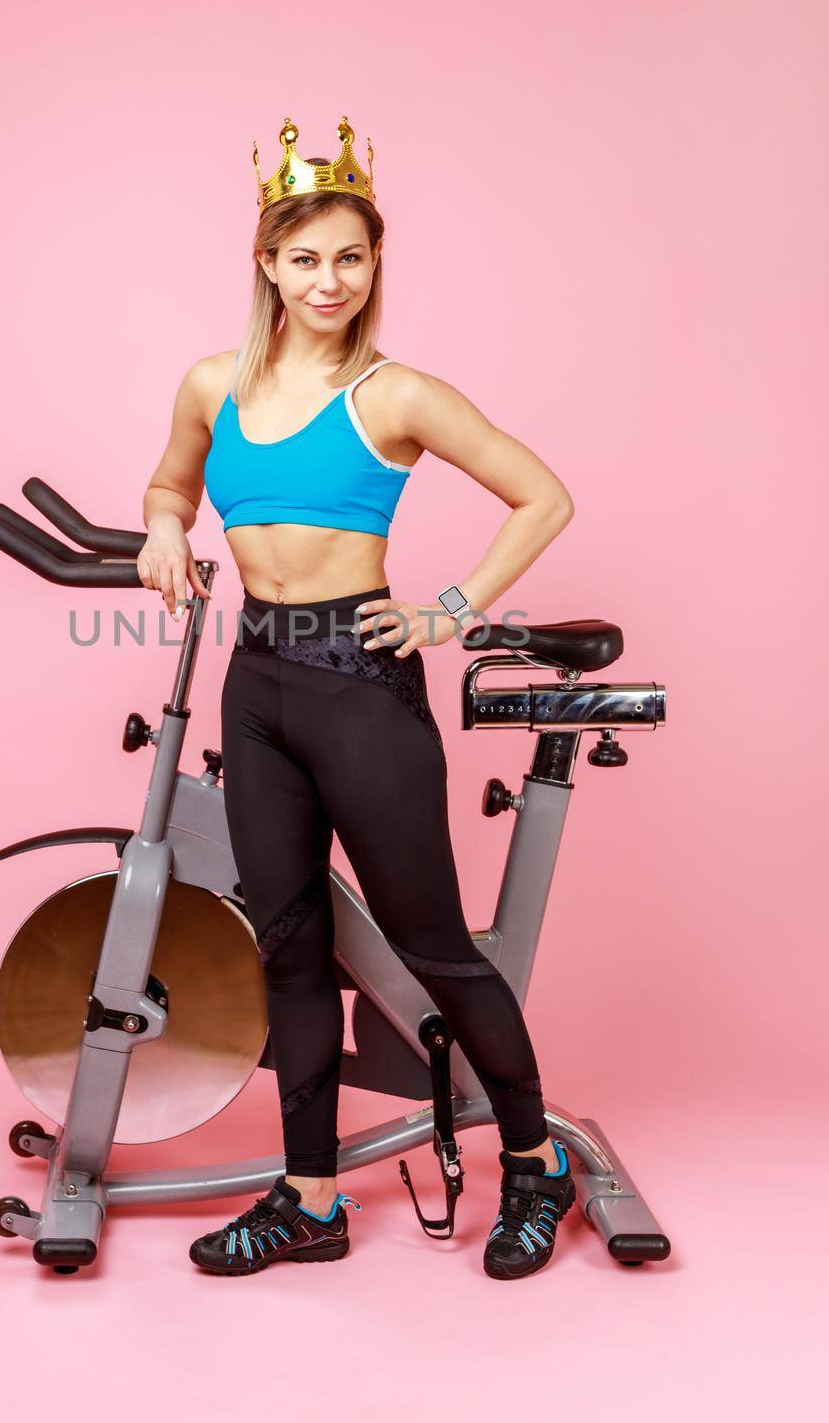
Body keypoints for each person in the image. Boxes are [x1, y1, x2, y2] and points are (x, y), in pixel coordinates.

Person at [139, 115, 577, 1279]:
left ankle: (536, 1162)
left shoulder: (396, 395)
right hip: (260, 684)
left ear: (373, 264)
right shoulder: (210, 382)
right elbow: (169, 480)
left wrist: (449, 605)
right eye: (305, 258)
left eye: (351, 256)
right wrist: (165, 524)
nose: (328, 280)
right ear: (266, 265)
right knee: (286, 953)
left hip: (360, 679)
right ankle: (309, 1200)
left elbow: (540, 496)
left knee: (433, 948)